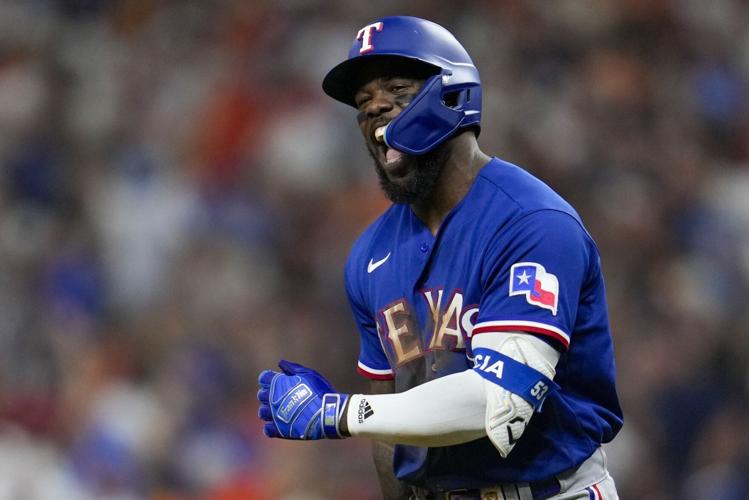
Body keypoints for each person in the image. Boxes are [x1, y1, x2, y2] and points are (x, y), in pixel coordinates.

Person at [257, 16, 623, 500]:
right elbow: (392, 430)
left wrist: (337, 414)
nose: (376, 108)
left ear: (453, 95)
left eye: (397, 88)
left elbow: (498, 403)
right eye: (363, 102)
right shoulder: (370, 255)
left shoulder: (533, 221)